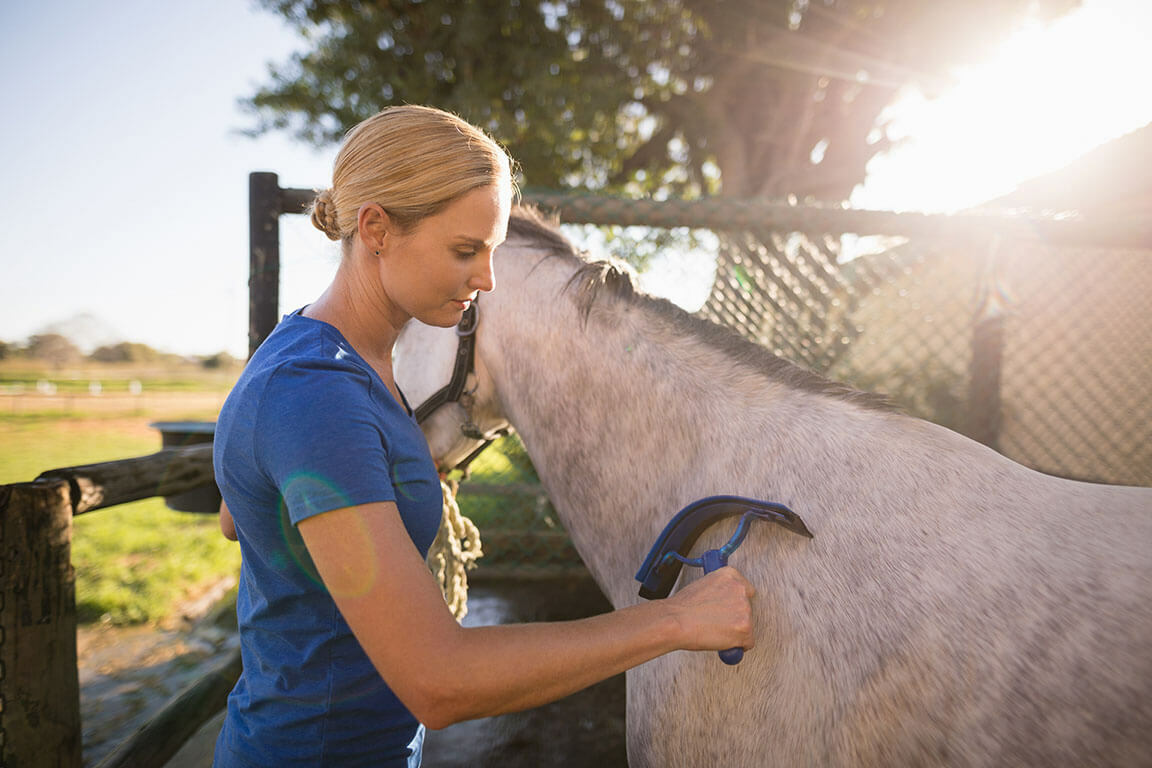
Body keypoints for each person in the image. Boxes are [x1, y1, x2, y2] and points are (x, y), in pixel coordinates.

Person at [212, 104, 755, 767]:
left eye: (491, 250)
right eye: (465, 251)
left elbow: (239, 516)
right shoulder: (314, 393)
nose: (486, 279)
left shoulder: (340, 356)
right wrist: (677, 620)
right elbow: (439, 682)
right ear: (376, 227)